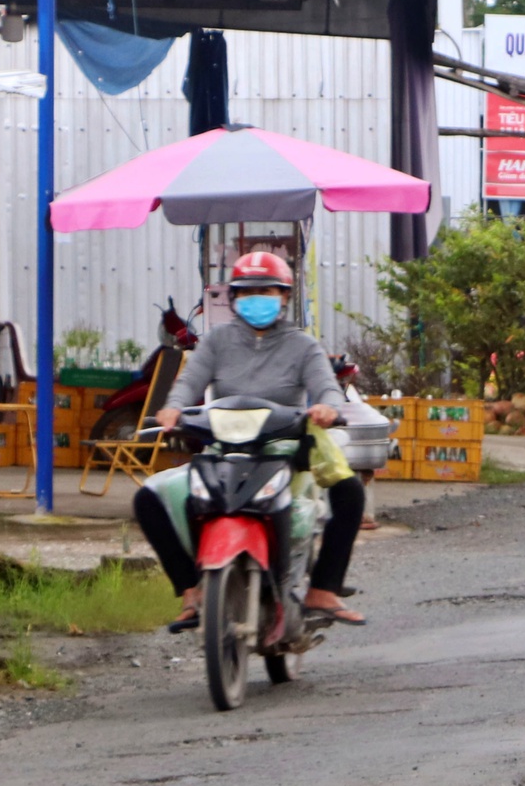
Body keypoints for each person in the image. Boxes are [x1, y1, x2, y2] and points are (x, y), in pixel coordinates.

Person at [131, 250, 367, 631]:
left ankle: (323, 590)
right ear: (234, 298)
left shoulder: (303, 345)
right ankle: (191, 590)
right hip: (224, 452)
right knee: (149, 498)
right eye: (246, 291)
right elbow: (189, 383)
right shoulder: (216, 342)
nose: (256, 298)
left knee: (350, 491)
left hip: (286, 451)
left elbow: (327, 387)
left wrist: (326, 407)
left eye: (267, 290)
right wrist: (172, 409)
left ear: (285, 296)